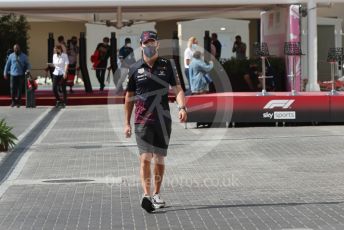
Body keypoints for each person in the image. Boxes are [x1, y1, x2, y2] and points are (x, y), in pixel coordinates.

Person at [124, 31, 187, 213]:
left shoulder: (167, 66)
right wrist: (126, 123)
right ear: (141, 45)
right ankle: (146, 195)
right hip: (141, 121)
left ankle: (157, 194)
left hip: (162, 119)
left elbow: (178, 89)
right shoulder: (135, 68)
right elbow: (129, 97)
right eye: (146, 43)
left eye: (152, 42)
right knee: (145, 158)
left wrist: (182, 107)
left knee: (159, 159)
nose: (149, 46)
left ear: (157, 44)